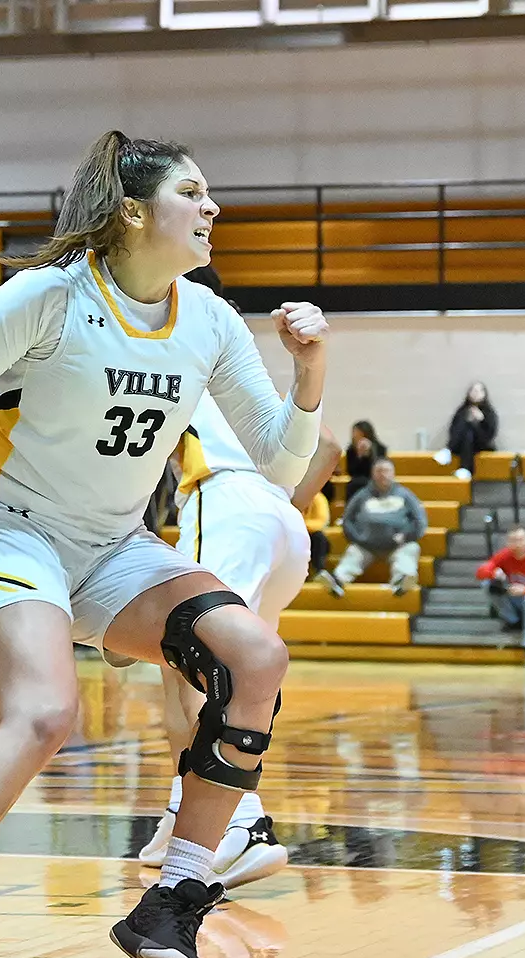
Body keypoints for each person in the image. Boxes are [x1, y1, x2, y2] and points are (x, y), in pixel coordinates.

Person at [0, 131, 326, 958]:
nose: (213, 207)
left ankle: (172, 904)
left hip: (112, 542)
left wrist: (310, 373)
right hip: (6, 520)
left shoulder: (209, 317)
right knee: (44, 712)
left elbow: (280, 469)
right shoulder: (48, 296)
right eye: (194, 190)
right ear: (134, 211)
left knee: (254, 658)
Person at [138, 264, 341, 890]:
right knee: (228, 673)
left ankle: (242, 823)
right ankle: (182, 814)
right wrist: (281, 512)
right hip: (279, 521)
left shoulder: (166, 352)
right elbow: (327, 445)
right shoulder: (232, 365)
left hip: (222, 503)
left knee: (195, 668)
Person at [321, 457, 426, 597]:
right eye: (379, 471)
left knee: (410, 549)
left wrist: (406, 535)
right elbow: (347, 520)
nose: (383, 474)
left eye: (386, 470)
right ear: (373, 473)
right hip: (366, 546)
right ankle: (338, 581)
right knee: (353, 553)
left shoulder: (406, 495)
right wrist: (358, 538)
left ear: (393, 473)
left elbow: (420, 521)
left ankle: (401, 582)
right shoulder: (361, 496)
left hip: (397, 545)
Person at [474, 526, 525, 667]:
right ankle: (513, 621)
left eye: (520, 540)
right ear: (507, 543)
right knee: (488, 584)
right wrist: (493, 573)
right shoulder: (505, 555)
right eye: (513, 540)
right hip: (519, 602)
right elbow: (480, 572)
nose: (517, 544)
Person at [437, 381, 496, 481]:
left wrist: (482, 420)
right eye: (473, 390)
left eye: (479, 391)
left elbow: (490, 434)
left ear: (484, 394)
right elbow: (453, 429)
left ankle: (450, 452)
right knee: (467, 431)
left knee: (469, 429)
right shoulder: (462, 410)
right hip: (462, 444)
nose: (476, 393)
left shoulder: (488, 412)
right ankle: (461, 465)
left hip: (481, 444)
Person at [343, 420, 385, 502]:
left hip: (374, 479)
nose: (356, 436)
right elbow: (351, 472)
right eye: (354, 433)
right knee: (354, 484)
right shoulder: (351, 450)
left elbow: (378, 467)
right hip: (356, 481)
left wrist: (369, 454)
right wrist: (359, 456)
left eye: (359, 434)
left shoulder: (380, 448)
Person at [304, 488, 330, 575]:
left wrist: (299, 525)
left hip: (309, 534)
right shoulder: (284, 498)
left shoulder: (318, 498)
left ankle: (320, 571)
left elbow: (321, 523)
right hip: (291, 535)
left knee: (319, 537)